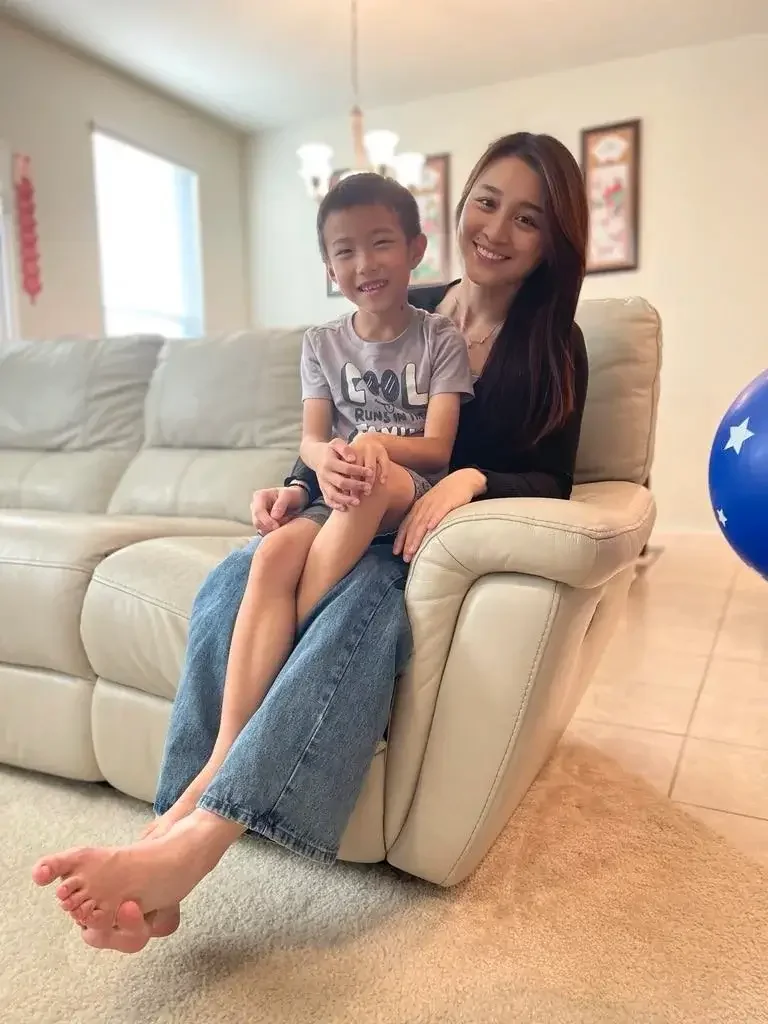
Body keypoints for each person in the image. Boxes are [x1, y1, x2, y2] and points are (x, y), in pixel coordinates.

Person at [32, 131, 590, 953]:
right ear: (462, 202)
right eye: (487, 202)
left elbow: (555, 481)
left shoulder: (554, 344)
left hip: (411, 545)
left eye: (528, 219)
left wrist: (472, 478)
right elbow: (335, 433)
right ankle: (166, 836)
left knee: (357, 616)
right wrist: (295, 486)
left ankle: (192, 846)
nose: (497, 230)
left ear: (553, 243)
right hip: (335, 512)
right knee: (235, 581)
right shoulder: (405, 301)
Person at [141, 173, 472, 839]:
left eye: (381, 243)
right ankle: (222, 756)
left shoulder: (440, 338)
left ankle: (252, 713)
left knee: (371, 477)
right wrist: (319, 466)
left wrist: (372, 444)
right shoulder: (321, 343)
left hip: (405, 492)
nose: (364, 263)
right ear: (328, 267)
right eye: (344, 251)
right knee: (271, 556)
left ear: (416, 249)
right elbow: (312, 440)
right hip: (337, 492)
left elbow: (438, 447)